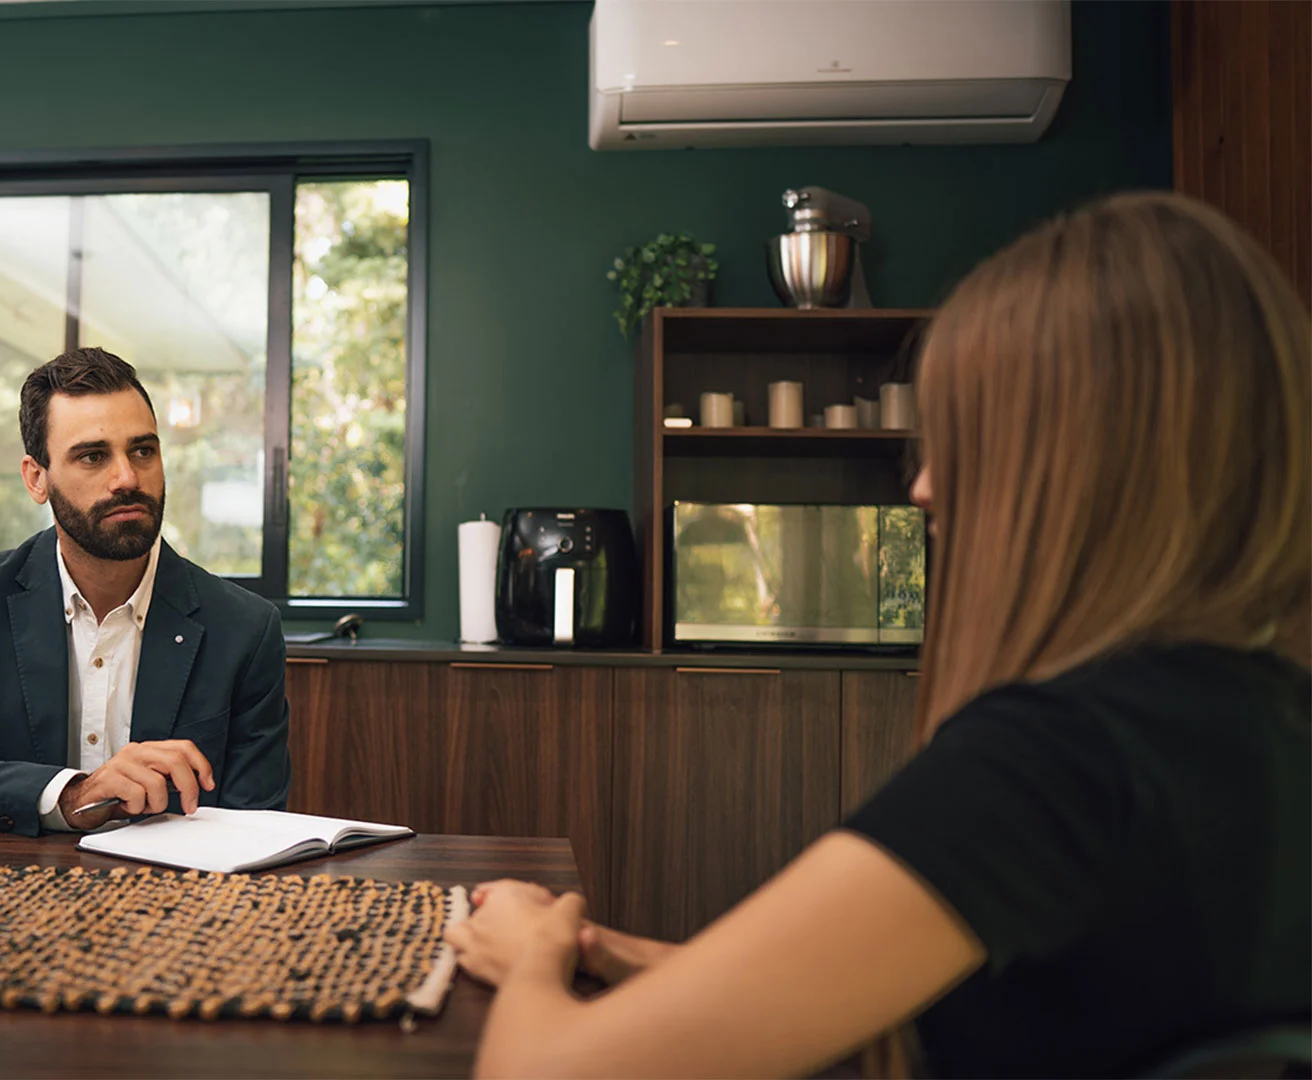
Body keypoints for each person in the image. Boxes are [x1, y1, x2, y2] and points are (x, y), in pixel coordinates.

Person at [446, 192, 1310, 1077]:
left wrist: (534, 953)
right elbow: (850, 996)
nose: (922, 487)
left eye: (967, 438)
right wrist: (608, 952)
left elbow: (537, 1071)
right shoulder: (1251, 721)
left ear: (1087, 464)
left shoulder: (1057, 758)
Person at [0, 347, 290, 835]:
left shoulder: (244, 628)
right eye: (92, 456)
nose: (127, 478)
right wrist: (68, 795)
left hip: (175, 882)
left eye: (143, 451)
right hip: (12, 879)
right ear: (36, 479)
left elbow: (258, 827)